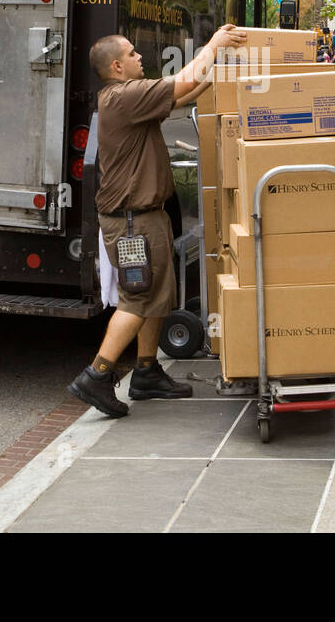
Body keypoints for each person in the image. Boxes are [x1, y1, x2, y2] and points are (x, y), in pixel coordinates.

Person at [68, 24, 247, 419]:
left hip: (145, 218)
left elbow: (187, 93)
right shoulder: (123, 97)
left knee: (156, 295)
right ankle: (96, 375)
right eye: (132, 54)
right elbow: (182, 83)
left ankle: (146, 371)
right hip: (132, 224)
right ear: (116, 66)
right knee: (139, 297)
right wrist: (212, 46)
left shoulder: (132, 98)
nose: (140, 58)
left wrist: (215, 65)